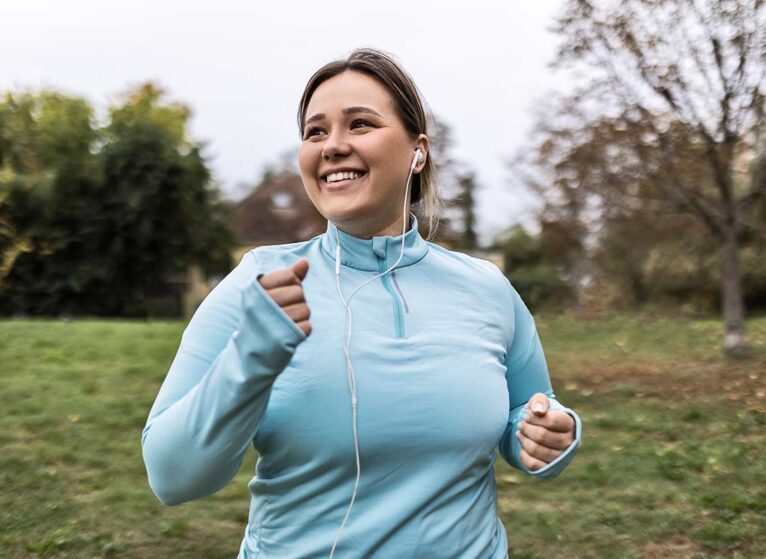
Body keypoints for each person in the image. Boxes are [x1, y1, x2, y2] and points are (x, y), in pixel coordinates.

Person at [142, 48, 582, 559]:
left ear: (418, 151)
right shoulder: (260, 283)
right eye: (315, 132)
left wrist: (549, 435)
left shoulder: (486, 288)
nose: (332, 146)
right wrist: (250, 361)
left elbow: (525, 415)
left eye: (360, 124)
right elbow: (172, 479)